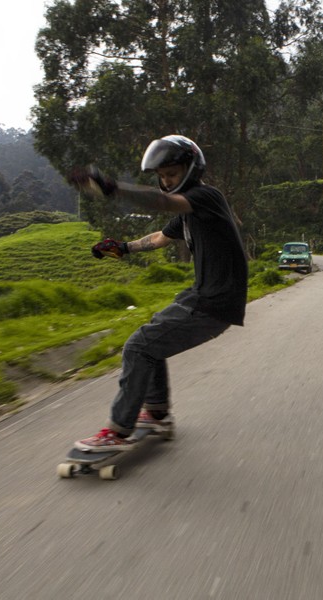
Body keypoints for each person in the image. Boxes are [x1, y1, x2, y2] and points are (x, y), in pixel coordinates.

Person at [67, 135, 248, 451]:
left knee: (138, 347)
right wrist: (124, 248)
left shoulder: (206, 196)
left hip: (214, 301)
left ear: (191, 170)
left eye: (172, 175)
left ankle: (118, 430)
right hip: (202, 295)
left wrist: (113, 187)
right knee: (151, 339)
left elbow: (162, 202)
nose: (166, 183)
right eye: (162, 177)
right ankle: (157, 413)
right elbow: (163, 237)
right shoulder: (190, 211)